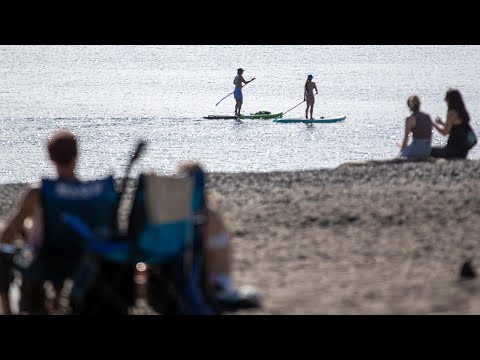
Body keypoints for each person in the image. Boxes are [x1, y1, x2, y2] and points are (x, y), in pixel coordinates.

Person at [0, 130, 83, 314]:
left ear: (50, 157)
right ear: (77, 154)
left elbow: (6, 236)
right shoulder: (90, 194)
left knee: (2, 253)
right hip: (80, 260)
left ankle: (6, 310)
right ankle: (57, 297)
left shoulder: (39, 193)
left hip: (44, 260)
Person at [177, 161, 261, 310]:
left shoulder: (205, 214)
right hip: (220, 281)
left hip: (214, 284)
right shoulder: (208, 209)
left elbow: (199, 253)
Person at [431, 88, 476, 159]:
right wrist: (442, 123)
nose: (444, 100)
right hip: (463, 152)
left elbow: (445, 132)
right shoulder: (462, 113)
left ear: (450, 100)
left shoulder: (451, 113)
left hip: (452, 150)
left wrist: (433, 124)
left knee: (428, 151)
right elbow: (454, 129)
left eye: (446, 98)